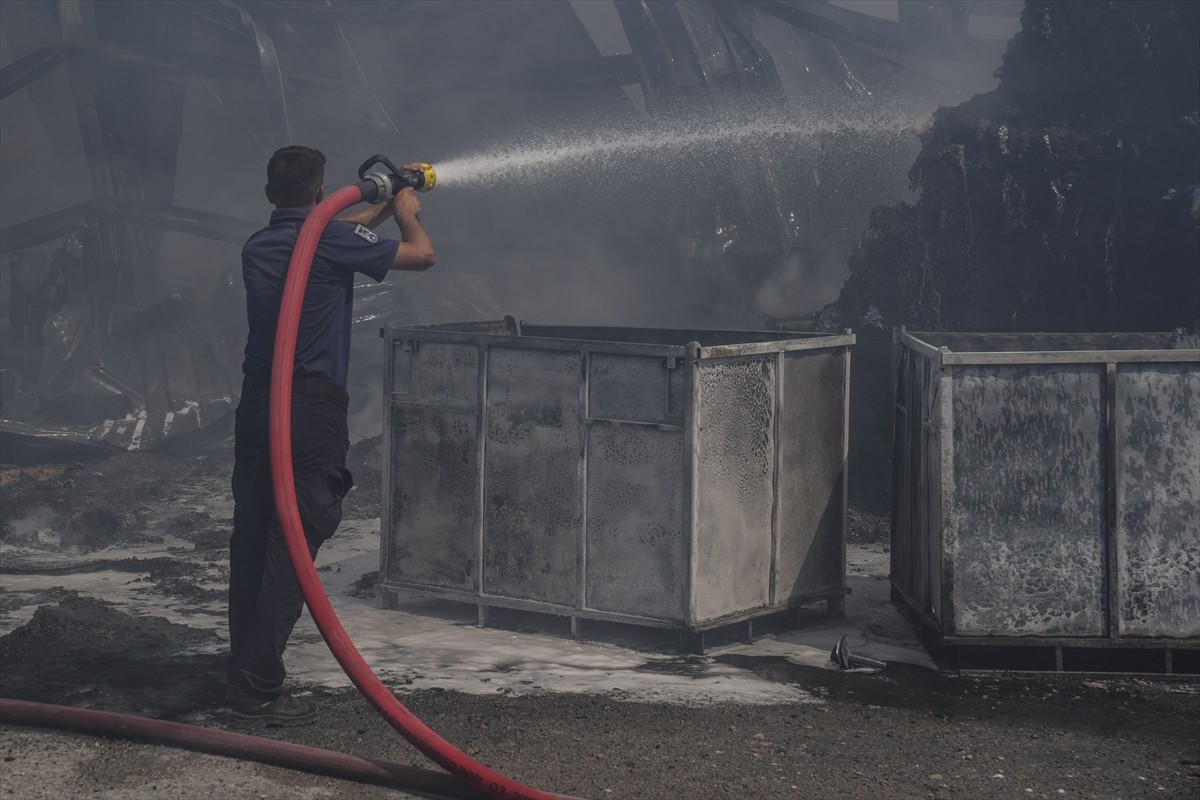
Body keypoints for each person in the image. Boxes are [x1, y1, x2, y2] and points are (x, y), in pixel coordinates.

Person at [226, 145, 434, 727]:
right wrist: (410, 210)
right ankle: (256, 687)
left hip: (259, 404)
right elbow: (423, 256)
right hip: (308, 408)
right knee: (293, 537)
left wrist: (382, 203)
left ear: (270, 194)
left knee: (253, 535)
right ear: (321, 191)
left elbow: (336, 233)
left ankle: (242, 666)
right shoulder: (328, 241)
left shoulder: (261, 244)